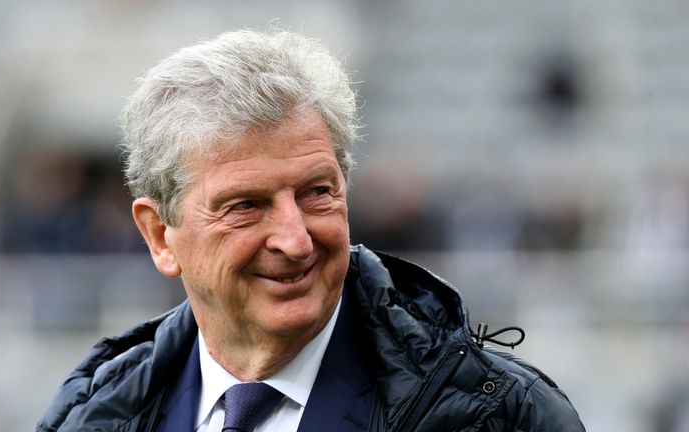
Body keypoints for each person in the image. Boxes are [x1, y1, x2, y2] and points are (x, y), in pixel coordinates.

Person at [37, 29, 585, 431]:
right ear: (160, 236)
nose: (296, 240)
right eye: (246, 205)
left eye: (317, 193)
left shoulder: (502, 416)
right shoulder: (88, 418)